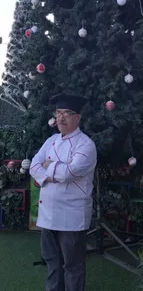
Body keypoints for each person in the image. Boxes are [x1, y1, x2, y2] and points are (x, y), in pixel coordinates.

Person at [29, 93, 97, 291]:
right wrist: (55, 170)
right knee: (52, 262)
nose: (61, 118)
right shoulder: (50, 141)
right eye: (58, 113)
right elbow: (34, 165)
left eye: (67, 113)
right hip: (48, 214)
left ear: (78, 117)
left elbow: (70, 172)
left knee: (73, 266)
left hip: (71, 216)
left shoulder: (86, 145)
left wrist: (48, 167)